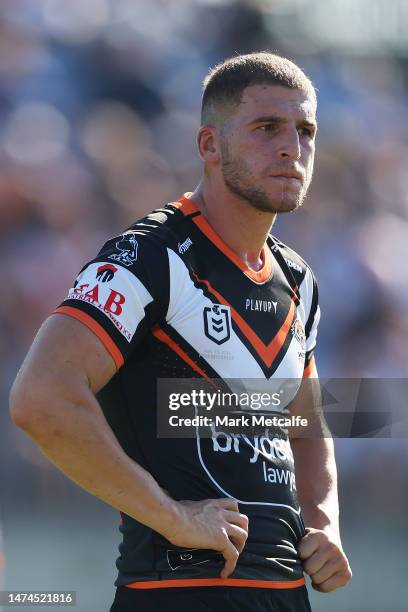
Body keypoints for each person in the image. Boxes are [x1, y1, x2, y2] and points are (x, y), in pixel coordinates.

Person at [9, 52, 352, 612]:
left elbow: (304, 419)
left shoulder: (299, 280)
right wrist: (174, 517)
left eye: (305, 130)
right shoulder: (148, 257)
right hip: (174, 593)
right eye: (267, 128)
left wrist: (323, 521)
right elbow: (41, 400)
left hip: (286, 596)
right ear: (208, 146)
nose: (293, 148)